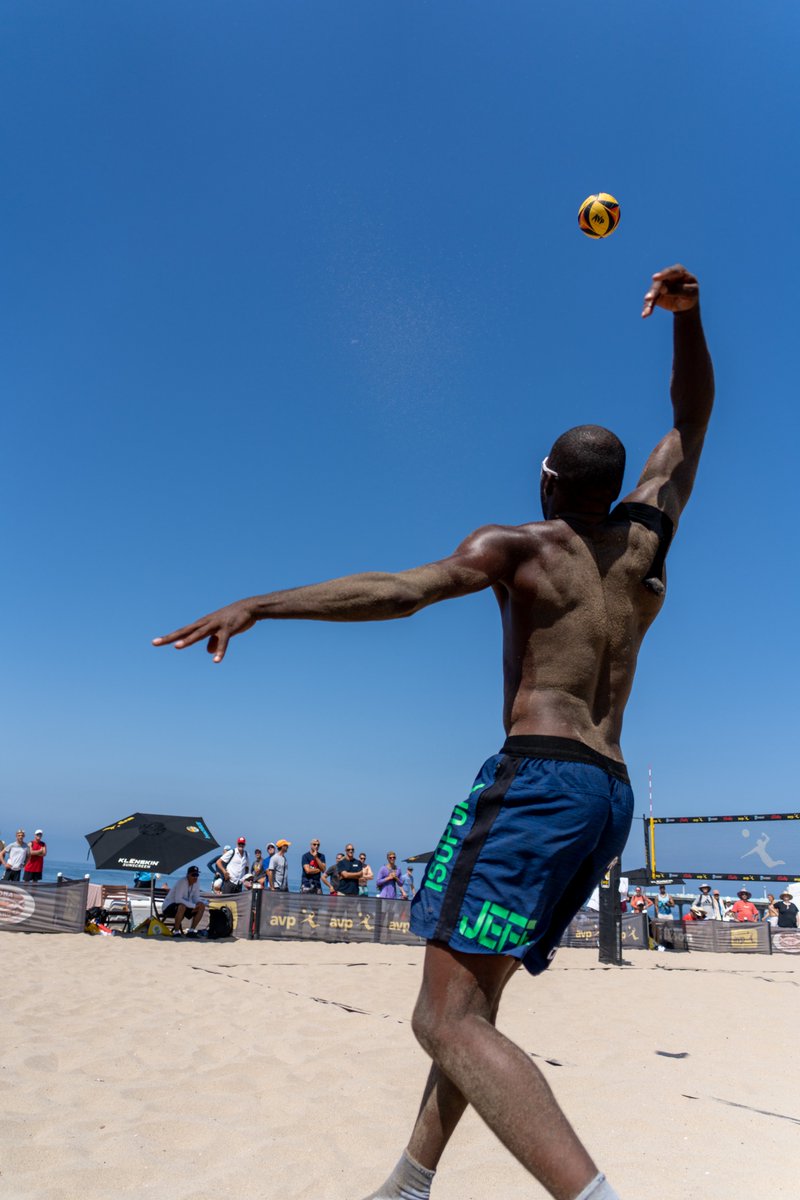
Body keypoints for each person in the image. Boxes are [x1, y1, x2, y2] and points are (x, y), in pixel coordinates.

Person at [154, 264, 713, 1200]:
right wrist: (691, 322)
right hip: (607, 794)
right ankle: (410, 1183)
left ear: (548, 479)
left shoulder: (523, 546)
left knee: (443, 1023)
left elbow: (403, 592)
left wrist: (263, 604)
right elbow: (689, 422)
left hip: (538, 781)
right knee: (475, 1005)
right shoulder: (646, 543)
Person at [162, 865, 206, 936]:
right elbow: (178, 900)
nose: (195, 877)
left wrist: (199, 903)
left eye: (197, 875)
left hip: (184, 906)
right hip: (168, 907)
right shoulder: (182, 882)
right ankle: (176, 932)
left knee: (202, 906)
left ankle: (191, 931)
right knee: (182, 906)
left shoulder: (196, 882)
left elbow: (196, 897)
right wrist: (194, 906)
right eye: (193, 875)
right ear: (188, 875)